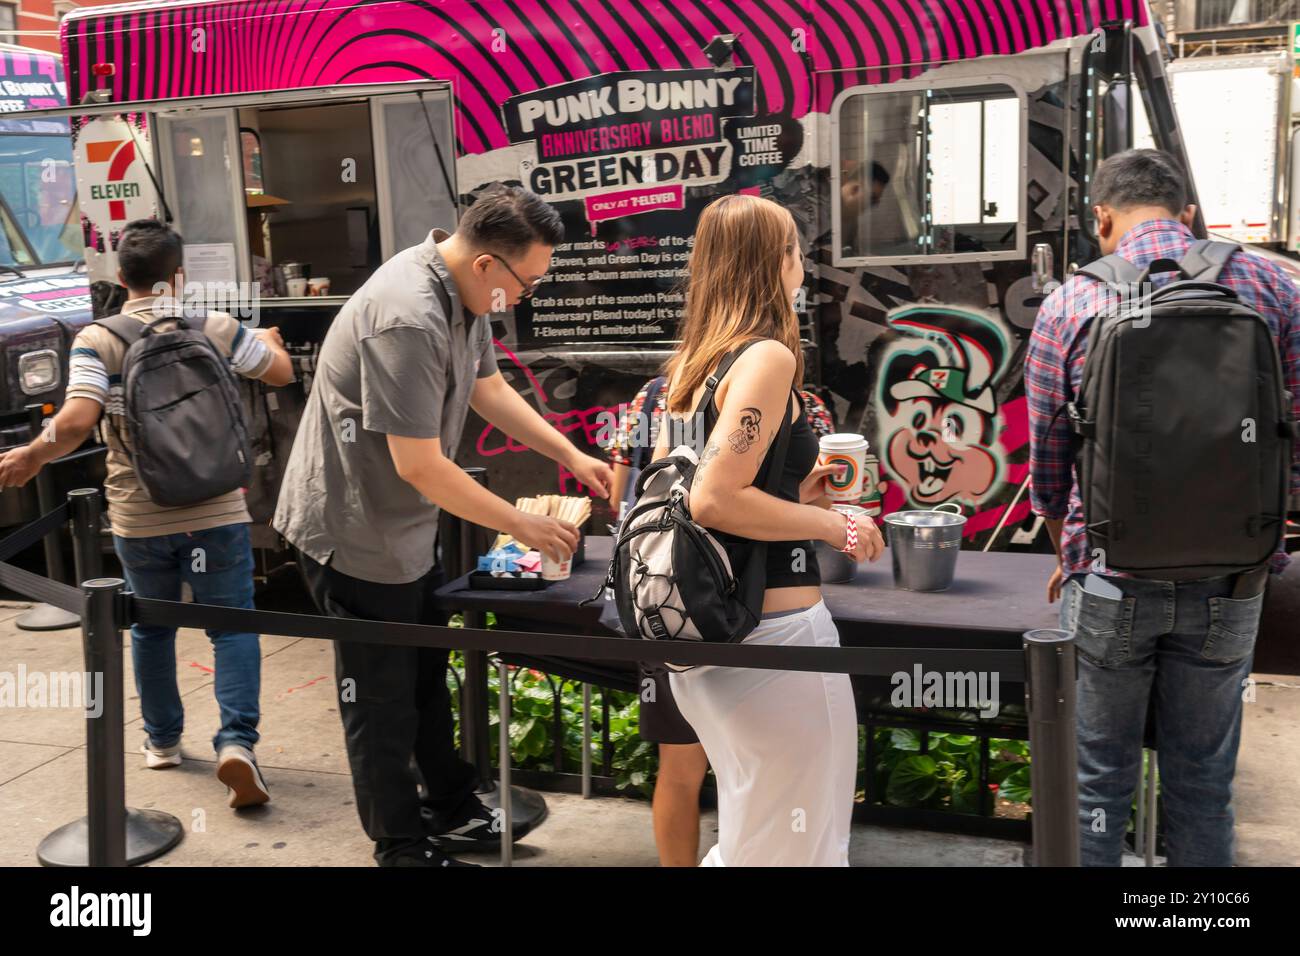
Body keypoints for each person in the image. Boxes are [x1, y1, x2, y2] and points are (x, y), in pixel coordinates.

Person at [273, 184, 613, 867]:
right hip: (353, 530)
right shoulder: (407, 316)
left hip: (404, 528)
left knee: (428, 677)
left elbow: (488, 390)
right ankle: (400, 847)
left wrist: (569, 453)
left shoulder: (469, 292)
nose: (528, 295)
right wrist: (524, 523)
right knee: (381, 701)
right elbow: (422, 467)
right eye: (529, 281)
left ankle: (453, 806)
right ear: (489, 263)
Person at [1026, 149, 1300, 866]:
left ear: (1103, 219)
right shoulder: (1271, 285)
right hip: (1233, 581)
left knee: (1097, 778)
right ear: (1186, 214)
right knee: (1204, 780)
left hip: (1113, 579)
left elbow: (1049, 466)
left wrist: (1071, 550)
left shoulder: (1070, 303)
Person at [0, 218, 294, 808]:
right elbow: (280, 373)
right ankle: (237, 744)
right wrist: (273, 345)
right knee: (231, 624)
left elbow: (80, 420)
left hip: (140, 513)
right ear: (177, 276)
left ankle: (162, 742)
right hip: (216, 509)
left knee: (150, 627)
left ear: (120, 277)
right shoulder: (214, 326)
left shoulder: (98, 339)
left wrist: (33, 453)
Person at [649, 193, 883, 866]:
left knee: (757, 838)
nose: (802, 264)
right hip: (777, 643)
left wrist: (798, 493)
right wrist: (830, 523)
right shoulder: (767, 359)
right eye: (794, 250)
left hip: (711, 648)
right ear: (771, 262)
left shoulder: (693, 365)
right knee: (799, 849)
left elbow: (698, 487)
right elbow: (715, 500)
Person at [607, 371, 835, 866]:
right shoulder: (790, 394)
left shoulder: (663, 392)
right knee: (761, 786)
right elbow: (718, 502)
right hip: (731, 605)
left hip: (661, 598)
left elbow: (623, 493)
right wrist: (830, 521)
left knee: (685, 770)